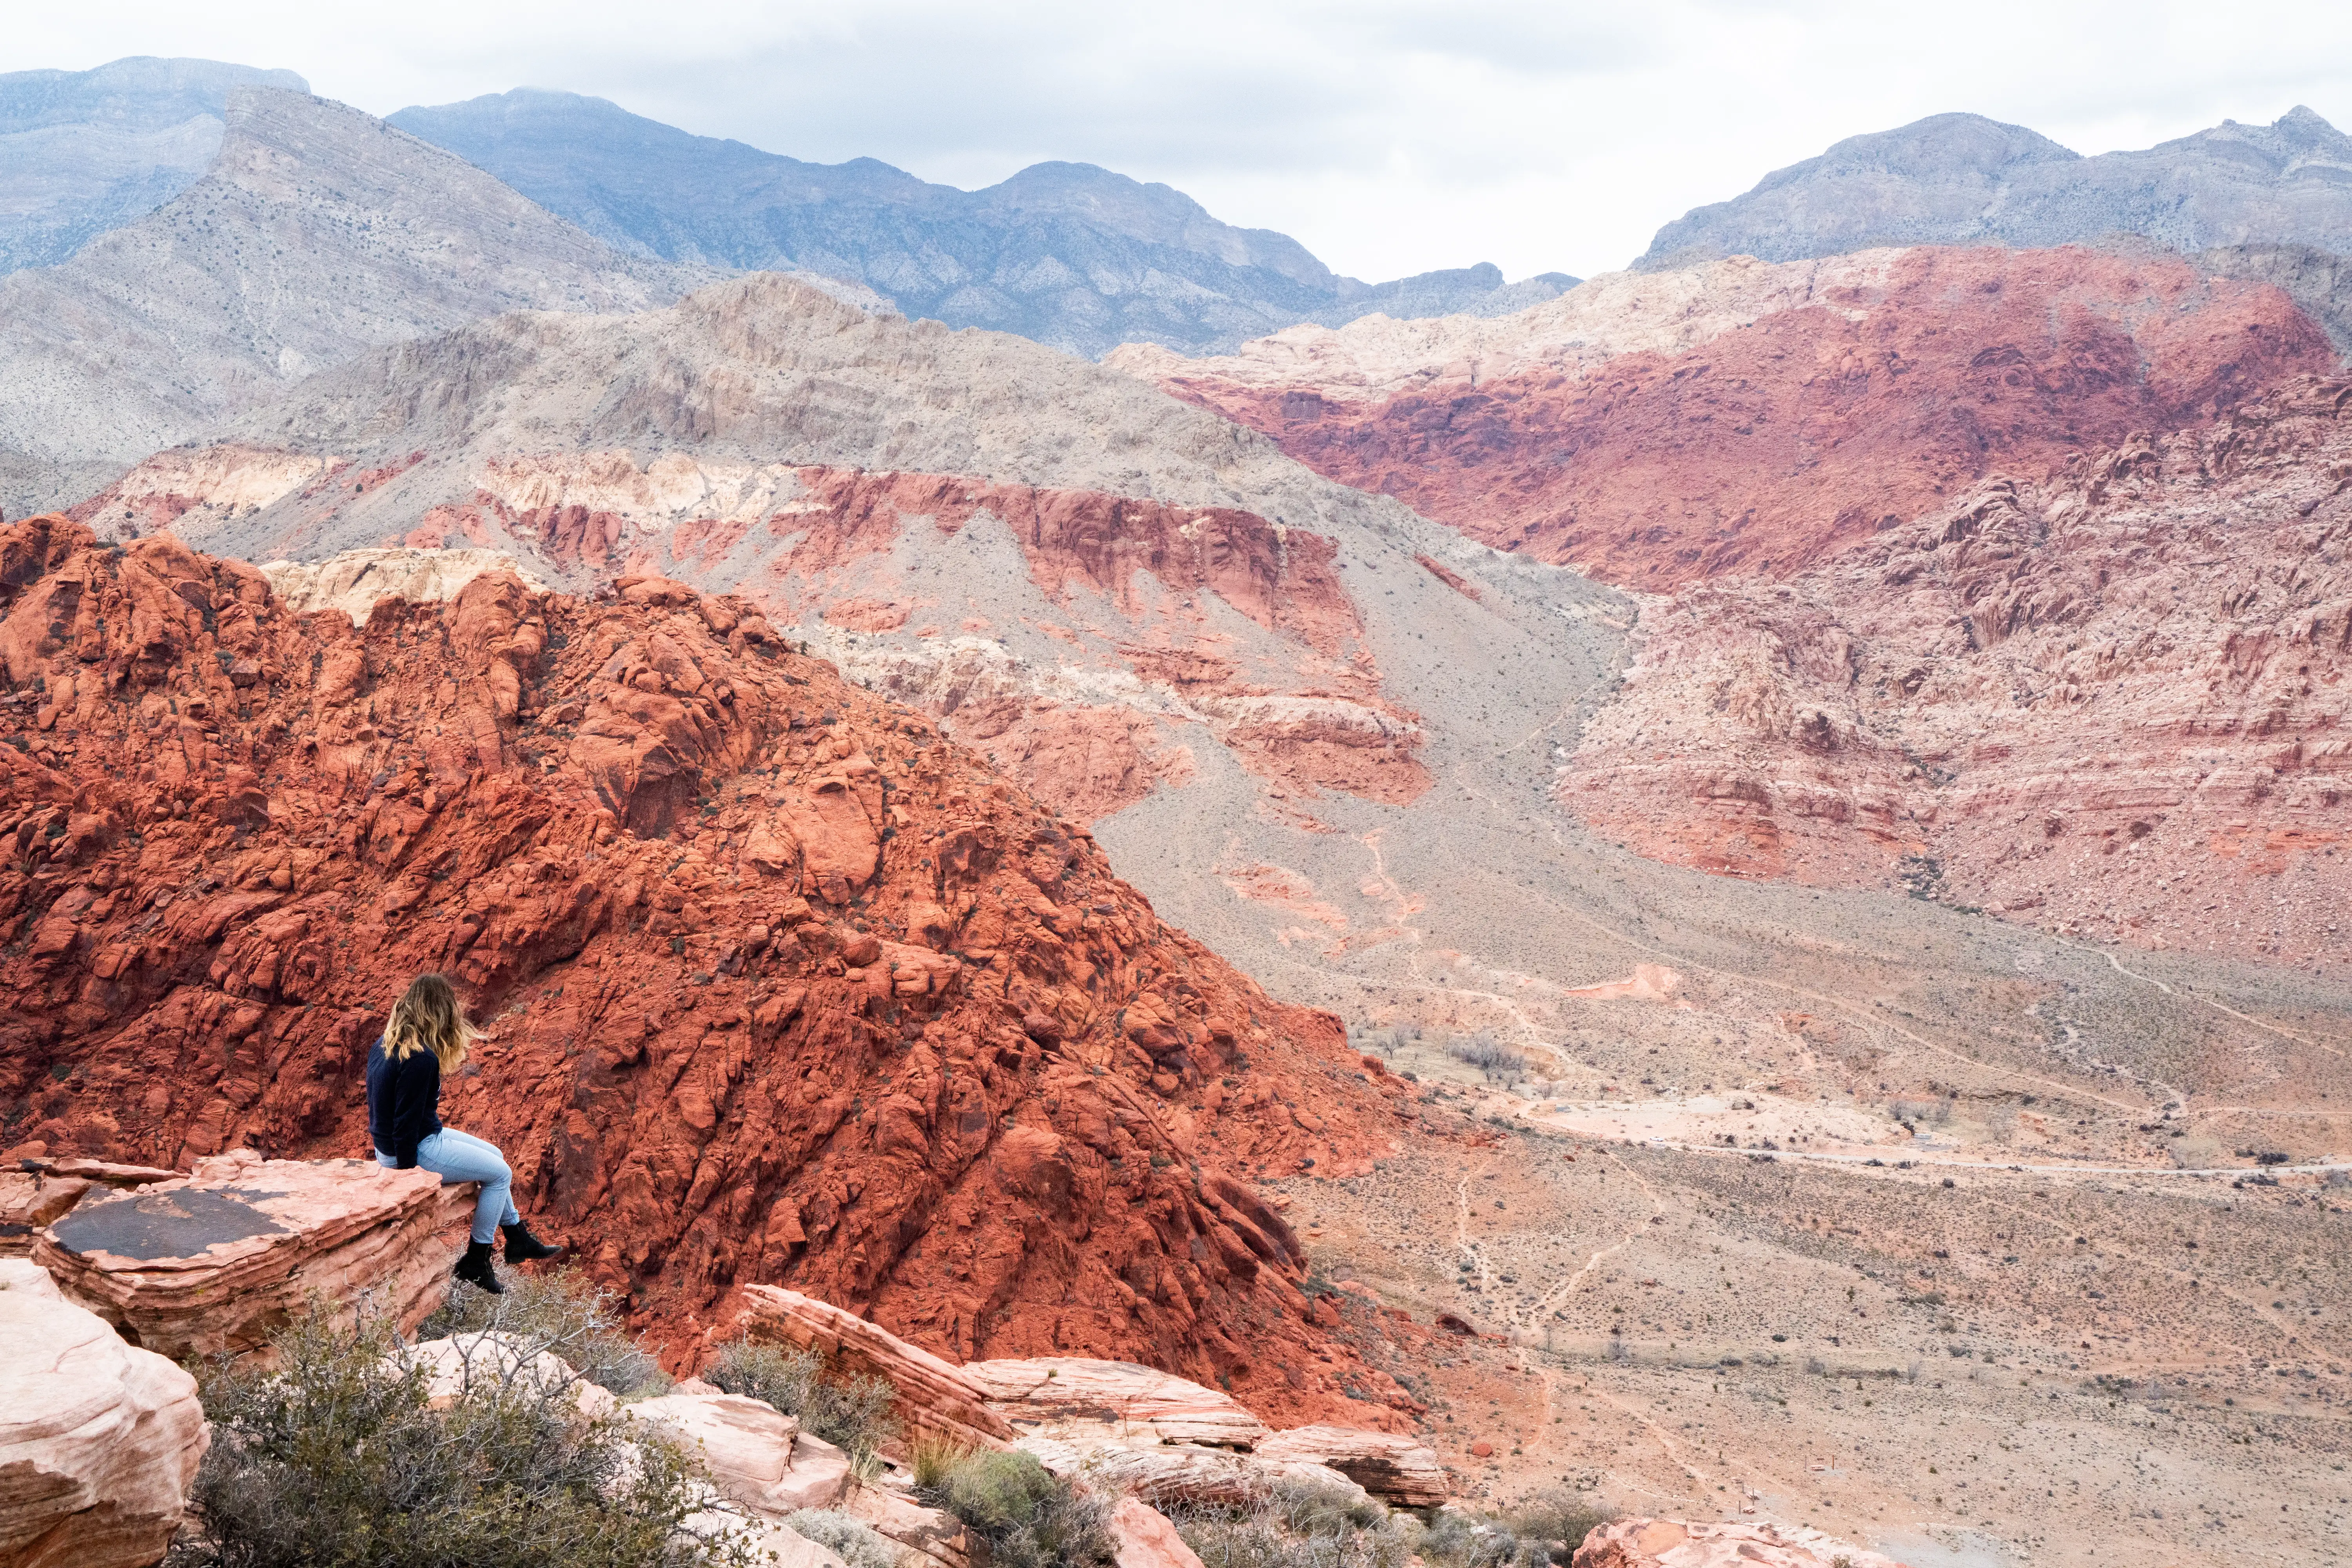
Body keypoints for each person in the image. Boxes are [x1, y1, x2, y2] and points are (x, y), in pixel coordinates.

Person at [365, 973, 561, 1294]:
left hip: (404, 1140)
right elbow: (405, 1123)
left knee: (495, 1156)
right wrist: (407, 1178)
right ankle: (476, 1259)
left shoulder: (386, 1042)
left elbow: (388, 1110)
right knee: (500, 1174)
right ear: (440, 1012)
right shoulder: (421, 1058)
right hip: (413, 1147)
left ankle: (517, 1238)